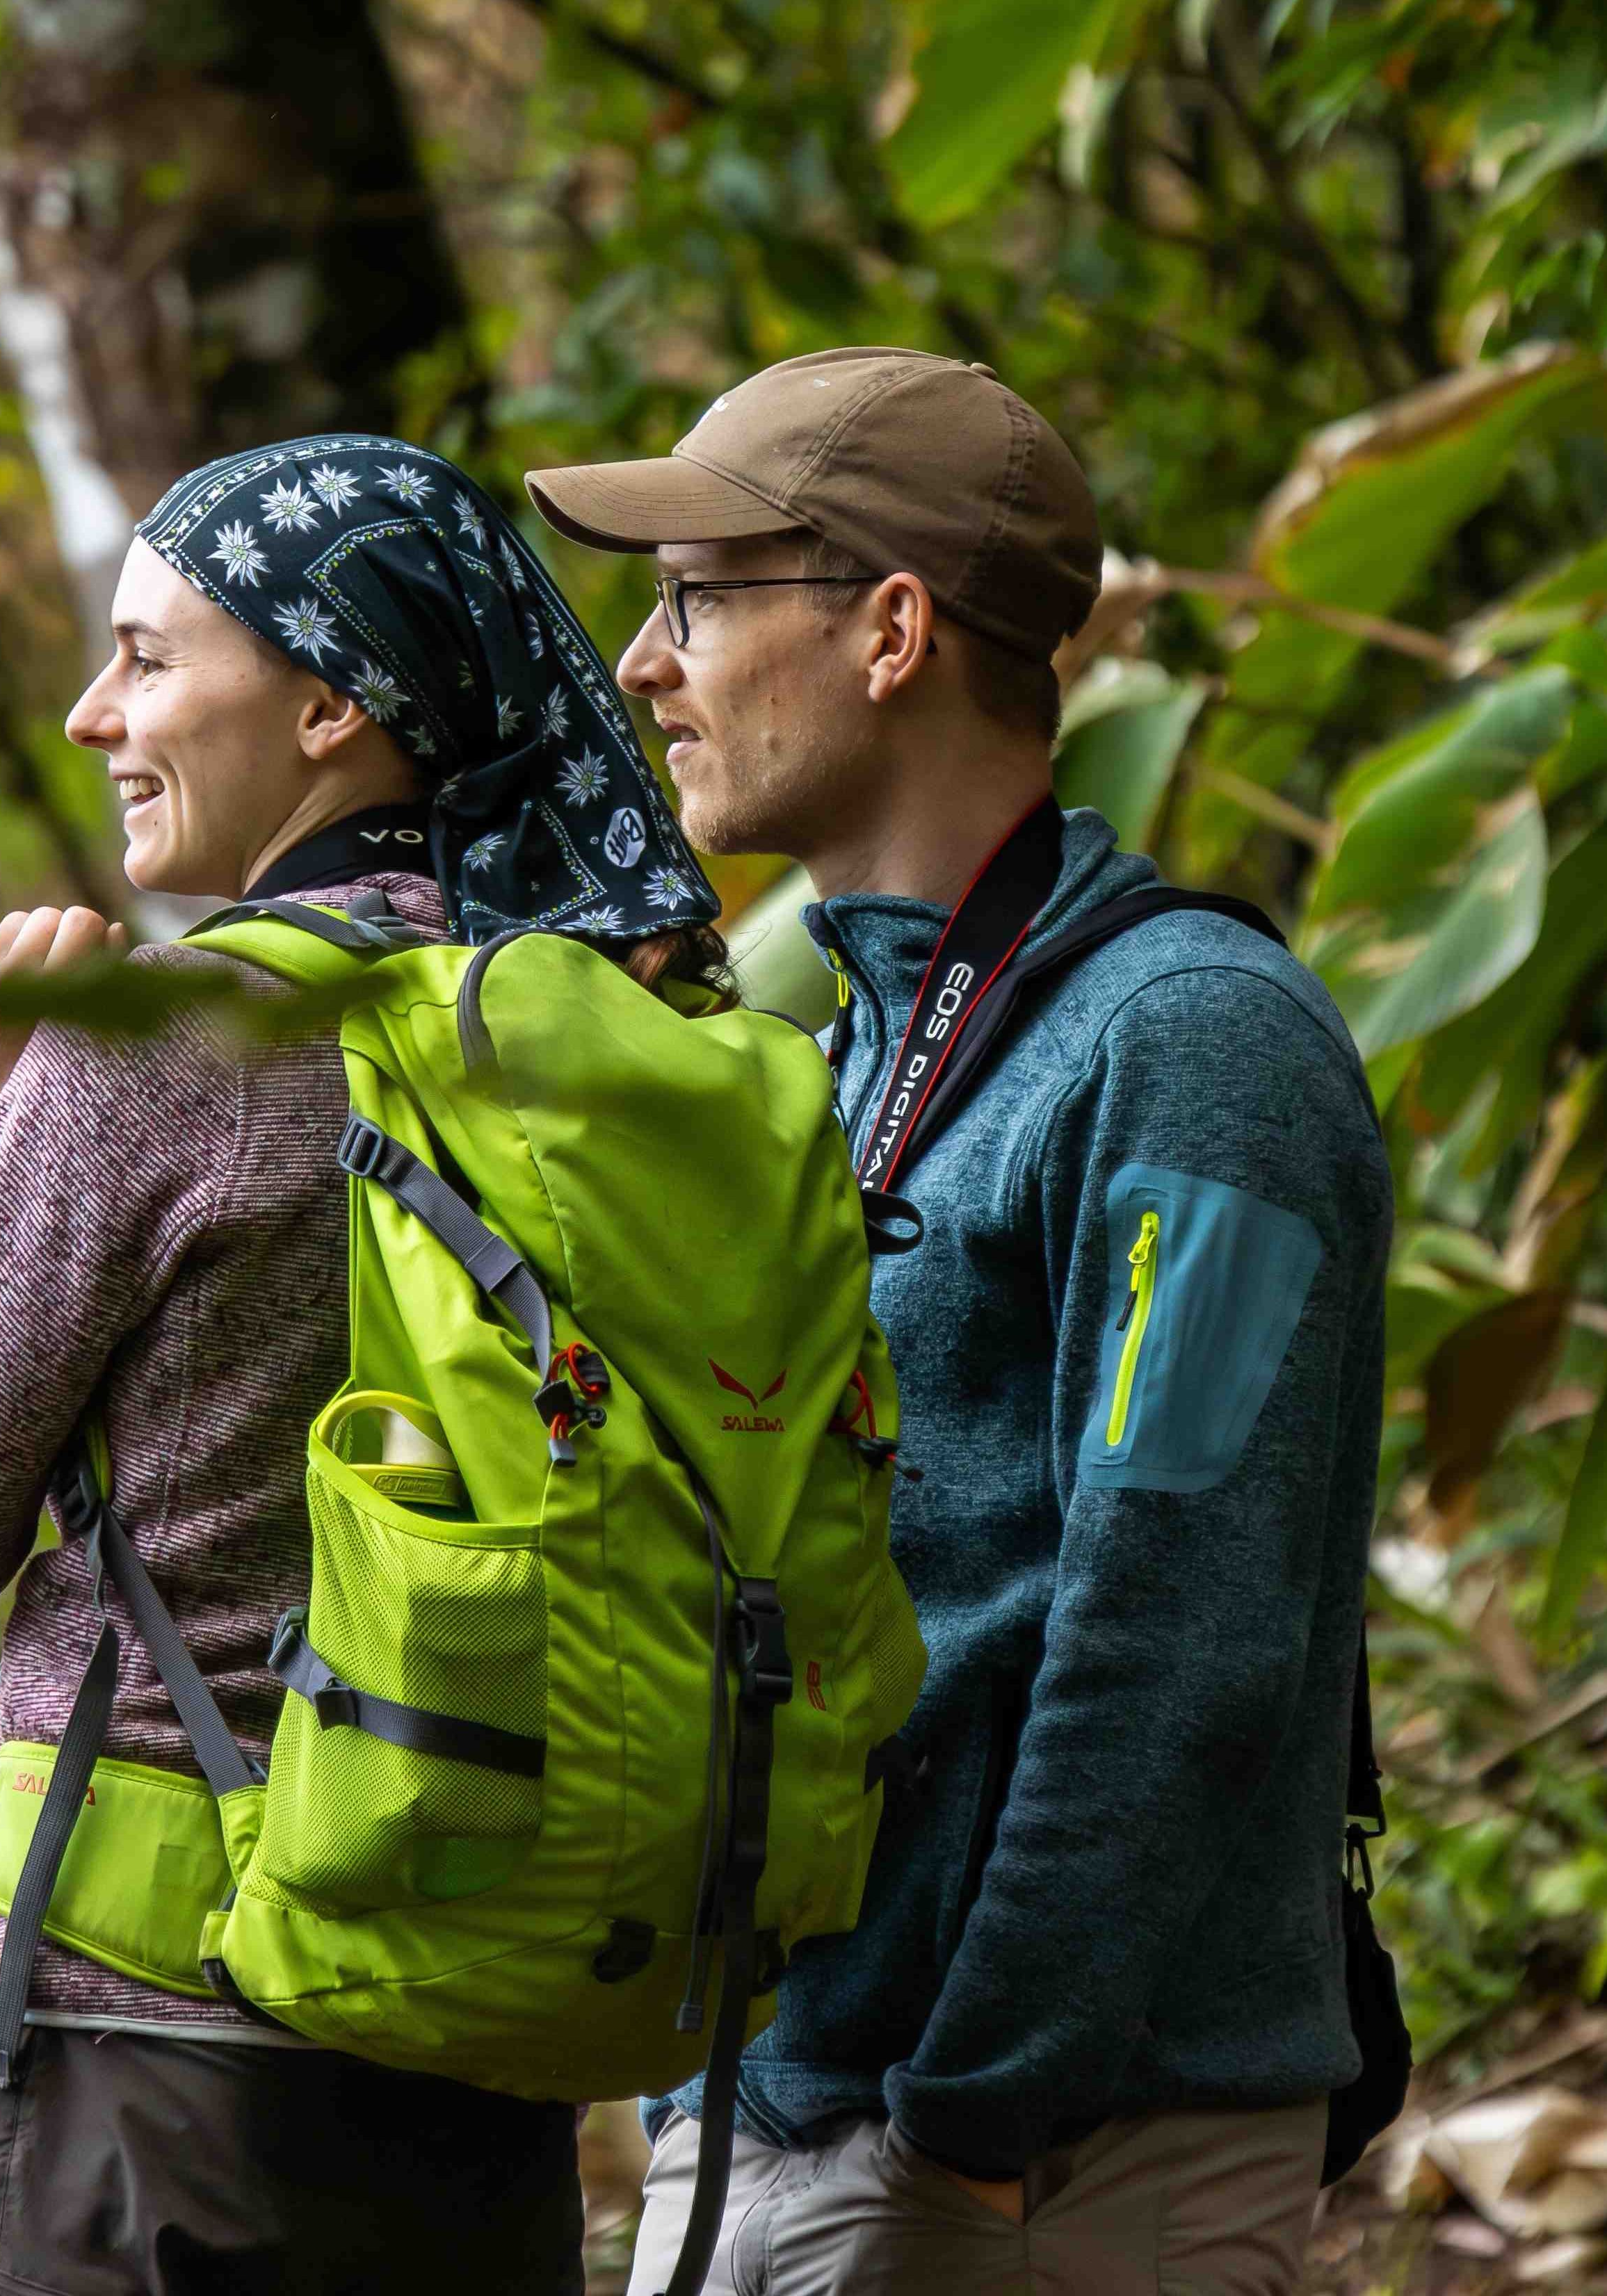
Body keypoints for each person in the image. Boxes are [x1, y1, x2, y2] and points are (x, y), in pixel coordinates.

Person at [526, 348, 1390, 2294]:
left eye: (694, 600)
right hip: (780, 2115)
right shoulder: (839, 1054)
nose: (645, 667)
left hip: (1052, 2161)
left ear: (892, 628)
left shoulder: (1202, 1057)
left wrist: (971, 2113)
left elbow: (1188, 1626)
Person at [0, 432, 727, 2295]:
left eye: (151, 657)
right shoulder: (606, 1045)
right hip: (483, 2013)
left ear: (328, 705)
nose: (94, 713)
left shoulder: (154, 1051)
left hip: (135, 2035)